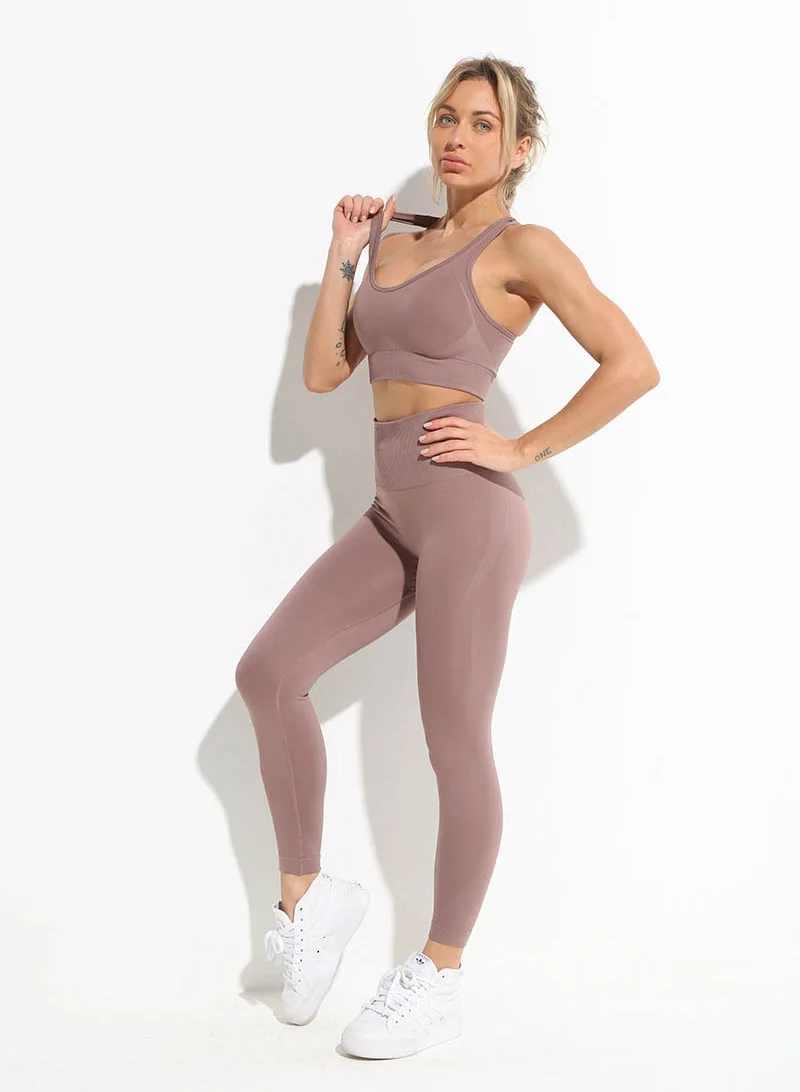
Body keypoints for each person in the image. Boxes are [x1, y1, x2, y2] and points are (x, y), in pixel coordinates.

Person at [235, 55, 659, 1059]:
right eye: (444, 117)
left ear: (519, 149)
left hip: (471, 515)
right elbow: (326, 373)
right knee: (268, 674)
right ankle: (309, 902)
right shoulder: (394, 239)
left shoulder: (525, 248)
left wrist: (518, 449)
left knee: (452, 739)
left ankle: (439, 973)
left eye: (481, 123)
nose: (455, 137)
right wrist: (343, 257)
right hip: (393, 513)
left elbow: (632, 363)